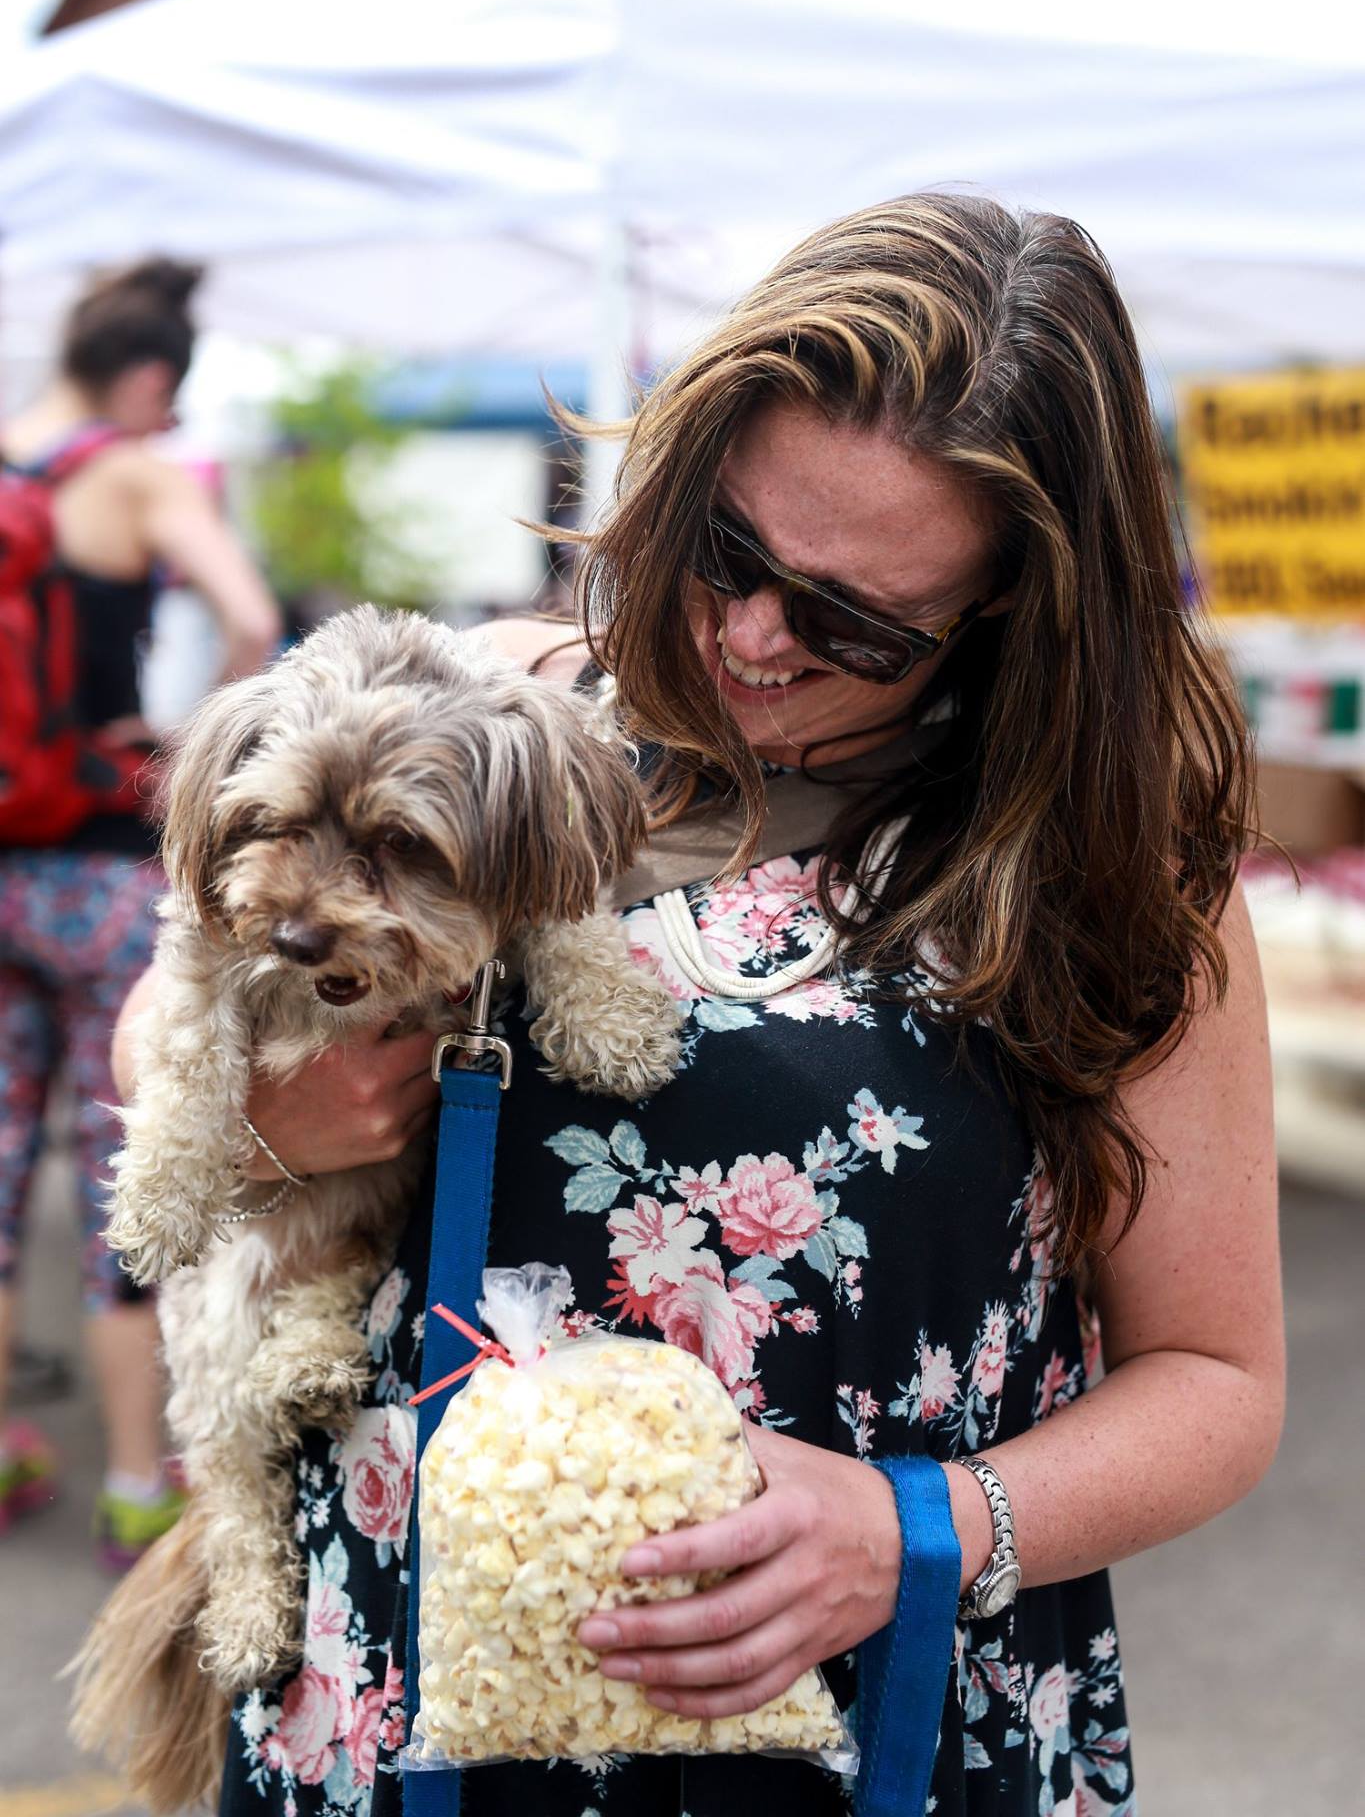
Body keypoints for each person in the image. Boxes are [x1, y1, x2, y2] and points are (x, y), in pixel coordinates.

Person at [114, 195, 1283, 1814]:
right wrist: (259, 1120)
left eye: (851, 617)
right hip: (400, 1688)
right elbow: (187, 980)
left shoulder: (1107, 859)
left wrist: (910, 1530)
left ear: (1011, 606)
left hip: (853, 1721)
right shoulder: (503, 705)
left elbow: (1218, 1383)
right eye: (728, 552)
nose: (748, 635)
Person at [0, 257, 281, 1565]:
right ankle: (134, 1486)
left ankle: (10, 1456)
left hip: (1, 868)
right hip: (107, 875)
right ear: (155, 375)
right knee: (135, 1170)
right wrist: (178, 743)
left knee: (4, 1171)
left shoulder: (7, 458)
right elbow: (252, 618)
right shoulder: (133, 472)